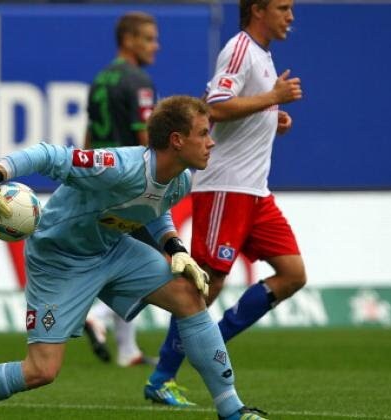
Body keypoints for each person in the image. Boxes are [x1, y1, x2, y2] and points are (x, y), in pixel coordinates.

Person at [0, 95, 269, 420]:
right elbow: (49, 154)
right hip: (58, 259)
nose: (211, 142)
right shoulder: (117, 165)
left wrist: (174, 246)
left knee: (190, 295)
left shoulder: (181, 180)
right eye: (203, 133)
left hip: (113, 249)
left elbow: (155, 208)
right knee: (41, 371)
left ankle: (232, 410)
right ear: (177, 140)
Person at [144, 0, 305, 407]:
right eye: (283, 8)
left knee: (292, 274)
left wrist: (271, 117)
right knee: (206, 284)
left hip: (256, 193)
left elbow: (227, 109)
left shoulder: (262, 55)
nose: (290, 16)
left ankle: (210, 338)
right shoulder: (239, 48)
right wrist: (272, 98)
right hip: (226, 188)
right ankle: (162, 377)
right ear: (258, 10)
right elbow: (215, 105)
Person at [82, 11, 160, 367]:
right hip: (130, 181)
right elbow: (146, 137)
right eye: (149, 38)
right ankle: (96, 313)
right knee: (148, 263)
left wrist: (83, 174)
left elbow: (89, 134)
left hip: (100, 179)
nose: (155, 46)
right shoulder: (138, 81)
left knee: (119, 260)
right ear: (128, 40)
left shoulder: (100, 79)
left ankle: (128, 350)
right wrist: (160, 180)